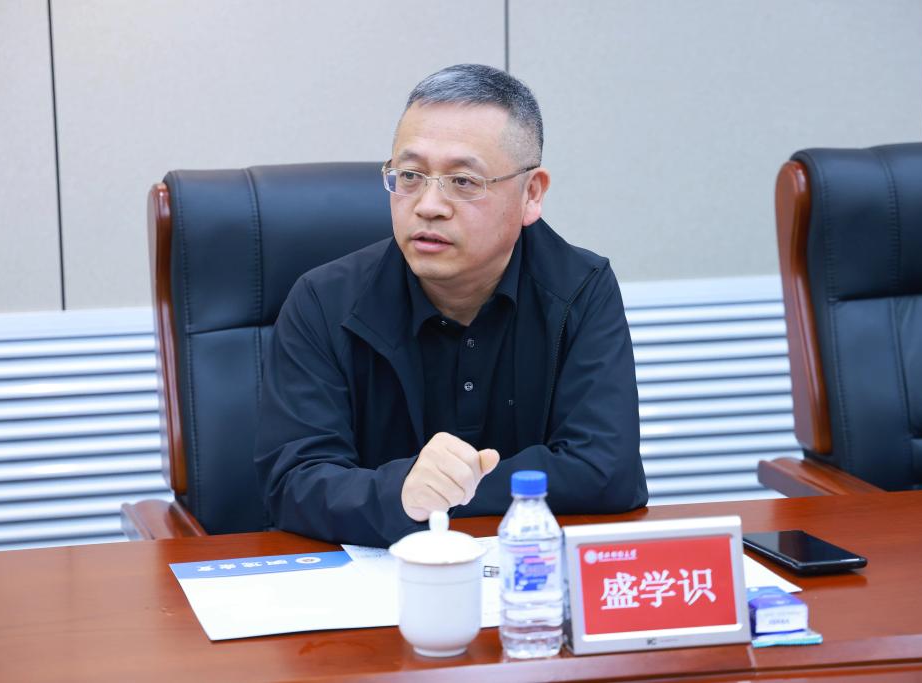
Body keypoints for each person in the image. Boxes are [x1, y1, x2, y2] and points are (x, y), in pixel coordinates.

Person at [254, 64, 647, 547]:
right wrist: (402, 491)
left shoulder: (580, 290)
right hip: (372, 575)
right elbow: (293, 481)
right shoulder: (322, 300)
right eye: (410, 175)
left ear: (531, 194)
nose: (428, 205)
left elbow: (606, 471)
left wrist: (442, 492)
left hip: (526, 570)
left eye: (463, 181)